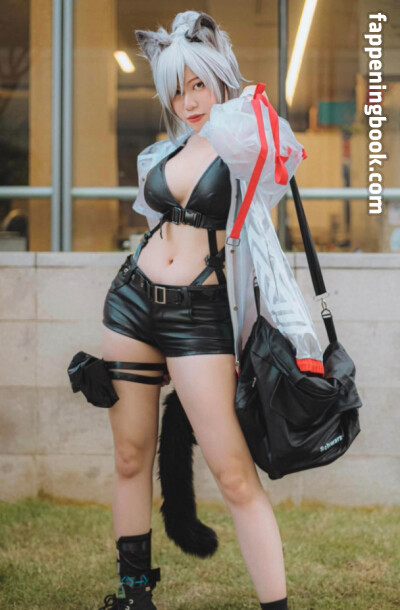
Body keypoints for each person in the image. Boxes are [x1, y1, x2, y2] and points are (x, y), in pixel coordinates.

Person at [98, 10, 324, 610]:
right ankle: (133, 595)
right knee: (130, 456)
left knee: (233, 474)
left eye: (199, 84)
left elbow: (281, 151)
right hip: (132, 304)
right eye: (177, 90)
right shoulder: (166, 152)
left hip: (199, 316)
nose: (189, 101)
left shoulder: (243, 139)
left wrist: (239, 97)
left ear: (220, 77)